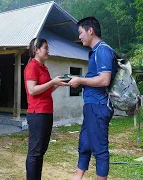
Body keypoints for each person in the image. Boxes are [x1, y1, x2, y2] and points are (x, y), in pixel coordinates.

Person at [69, 17, 116, 180]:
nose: (80, 37)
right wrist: (79, 81)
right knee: (84, 145)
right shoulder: (95, 52)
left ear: (91, 30)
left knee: (100, 150)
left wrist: (80, 80)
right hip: (91, 105)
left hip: (98, 106)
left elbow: (104, 80)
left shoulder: (103, 50)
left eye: (81, 32)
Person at [24, 38, 69, 180]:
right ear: (36, 50)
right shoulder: (32, 66)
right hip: (37, 114)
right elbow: (32, 90)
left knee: (41, 151)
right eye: (45, 48)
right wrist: (52, 82)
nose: (48, 50)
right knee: (35, 152)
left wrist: (58, 83)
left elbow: (46, 90)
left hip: (47, 113)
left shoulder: (44, 67)